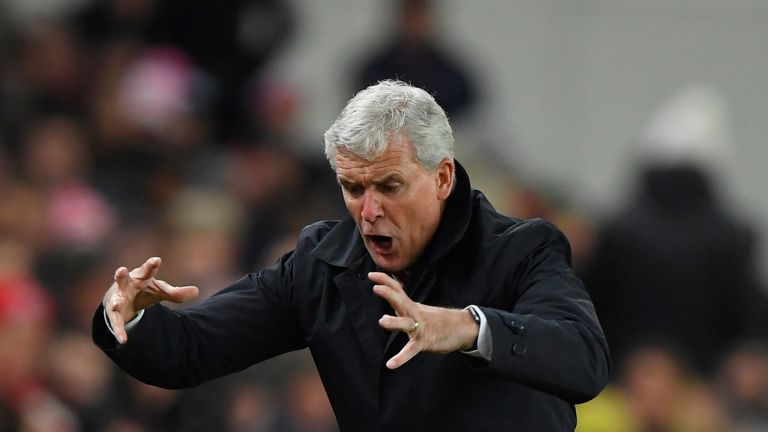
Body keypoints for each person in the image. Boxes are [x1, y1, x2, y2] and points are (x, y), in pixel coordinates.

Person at [93, 80, 610, 430]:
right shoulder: (322, 263)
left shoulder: (521, 251)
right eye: (353, 187)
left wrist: (471, 330)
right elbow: (193, 347)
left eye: (389, 185)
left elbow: (584, 360)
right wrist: (130, 317)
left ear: (443, 177)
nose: (368, 211)